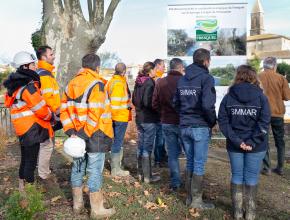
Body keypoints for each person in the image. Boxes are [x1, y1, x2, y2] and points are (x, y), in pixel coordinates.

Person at [60, 54, 115, 218]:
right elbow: (95, 113)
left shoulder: (71, 84)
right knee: (94, 171)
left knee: (77, 168)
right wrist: (84, 133)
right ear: (97, 67)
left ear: (83, 66)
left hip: (76, 135)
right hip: (95, 134)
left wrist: (72, 132)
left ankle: (77, 205)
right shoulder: (96, 84)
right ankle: (97, 210)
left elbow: (63, 111)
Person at [218, 65, 271, 220]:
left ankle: (238, 212)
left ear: (238, 76)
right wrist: (251, 142)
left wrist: (238, 141)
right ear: (254, 77)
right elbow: (265, 121)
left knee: (237, 175)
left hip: (236, 145)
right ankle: (250, 214)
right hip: (257, 145)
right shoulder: (261, 97)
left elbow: (222, 121)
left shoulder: (229, 97)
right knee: (251, 177)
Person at [173, 48, 216, 209]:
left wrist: (184, 115)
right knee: (198, 163)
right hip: (199, 126)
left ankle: (190, 198)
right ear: (206, 61)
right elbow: (207, 105)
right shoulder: (207, 78)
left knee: (190, 162)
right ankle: (196, 201)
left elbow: (175, 102)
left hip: (184, 125)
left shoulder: (182, 79)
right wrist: (212, 121)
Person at [4, 51, 53, 190]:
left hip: (22, 128)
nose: (35, 66)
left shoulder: (15, 85)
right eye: (32, 64)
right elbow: (40, 108)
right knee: (30, 161)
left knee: (25, 159)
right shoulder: (28, 86)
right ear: (25, 66)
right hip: (31, 128)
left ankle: (22, 189)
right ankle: (30, 192)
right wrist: (51, 116)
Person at [152, 58, 184, 191]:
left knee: (172, 154)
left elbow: (154, 103)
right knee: (190, 153)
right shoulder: (185, 81)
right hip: (183, 122)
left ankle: (175, 182)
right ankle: (190, 182)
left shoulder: (160, 81)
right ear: (180, 67)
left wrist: (163, 113)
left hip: (167, 121)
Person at [259, 57, 290, 176]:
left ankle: (266, 168)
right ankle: (280, 168)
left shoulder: (257, 76)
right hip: (278, 113)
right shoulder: (281, 78)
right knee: (280, 141)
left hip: (262, 113)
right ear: (275, 66)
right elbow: (287, 97)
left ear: (264, 65)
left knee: (264, 140)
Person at [35, 45, 61, 188]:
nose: (54, 56)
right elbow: (46, 97)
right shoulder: (44, 75)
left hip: (47, 115)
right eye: (51, 54)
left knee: (45, 144)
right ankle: (43, 175)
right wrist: (56, 112)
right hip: (47, 116)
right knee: (46, 145)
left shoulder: (44, 72)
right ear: (44, 57)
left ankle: (43, 171)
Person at [132, 61, 161, 184]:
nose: (156, 72)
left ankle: (141, 174)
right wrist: (157, 108)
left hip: (139, 118)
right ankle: (148, 177)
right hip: (148, 119)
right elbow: (147, 102)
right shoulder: (149, 82)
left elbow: (134, 99)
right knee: (147, 148)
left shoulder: (139, 81)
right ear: (151, 71)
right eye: (154, 70)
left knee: (141, 145)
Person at [106, 63, 131, 177]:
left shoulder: (111, 81)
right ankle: (115, 169)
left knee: (115, 141)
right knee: (118, 142)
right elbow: (116, 103)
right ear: (124, 71)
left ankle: (117, 165)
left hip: (114, 116)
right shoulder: (119, 84)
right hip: (119, 117)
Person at [153, 59, 167, 168]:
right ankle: (159, 160)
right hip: (159, 113)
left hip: (158, 113)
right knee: (160, 137)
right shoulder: (157, 79)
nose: (164, 67)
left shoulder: (157, 78)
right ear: (157, 66)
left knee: (160, 136)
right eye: (163, 65)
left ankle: (161, 158)